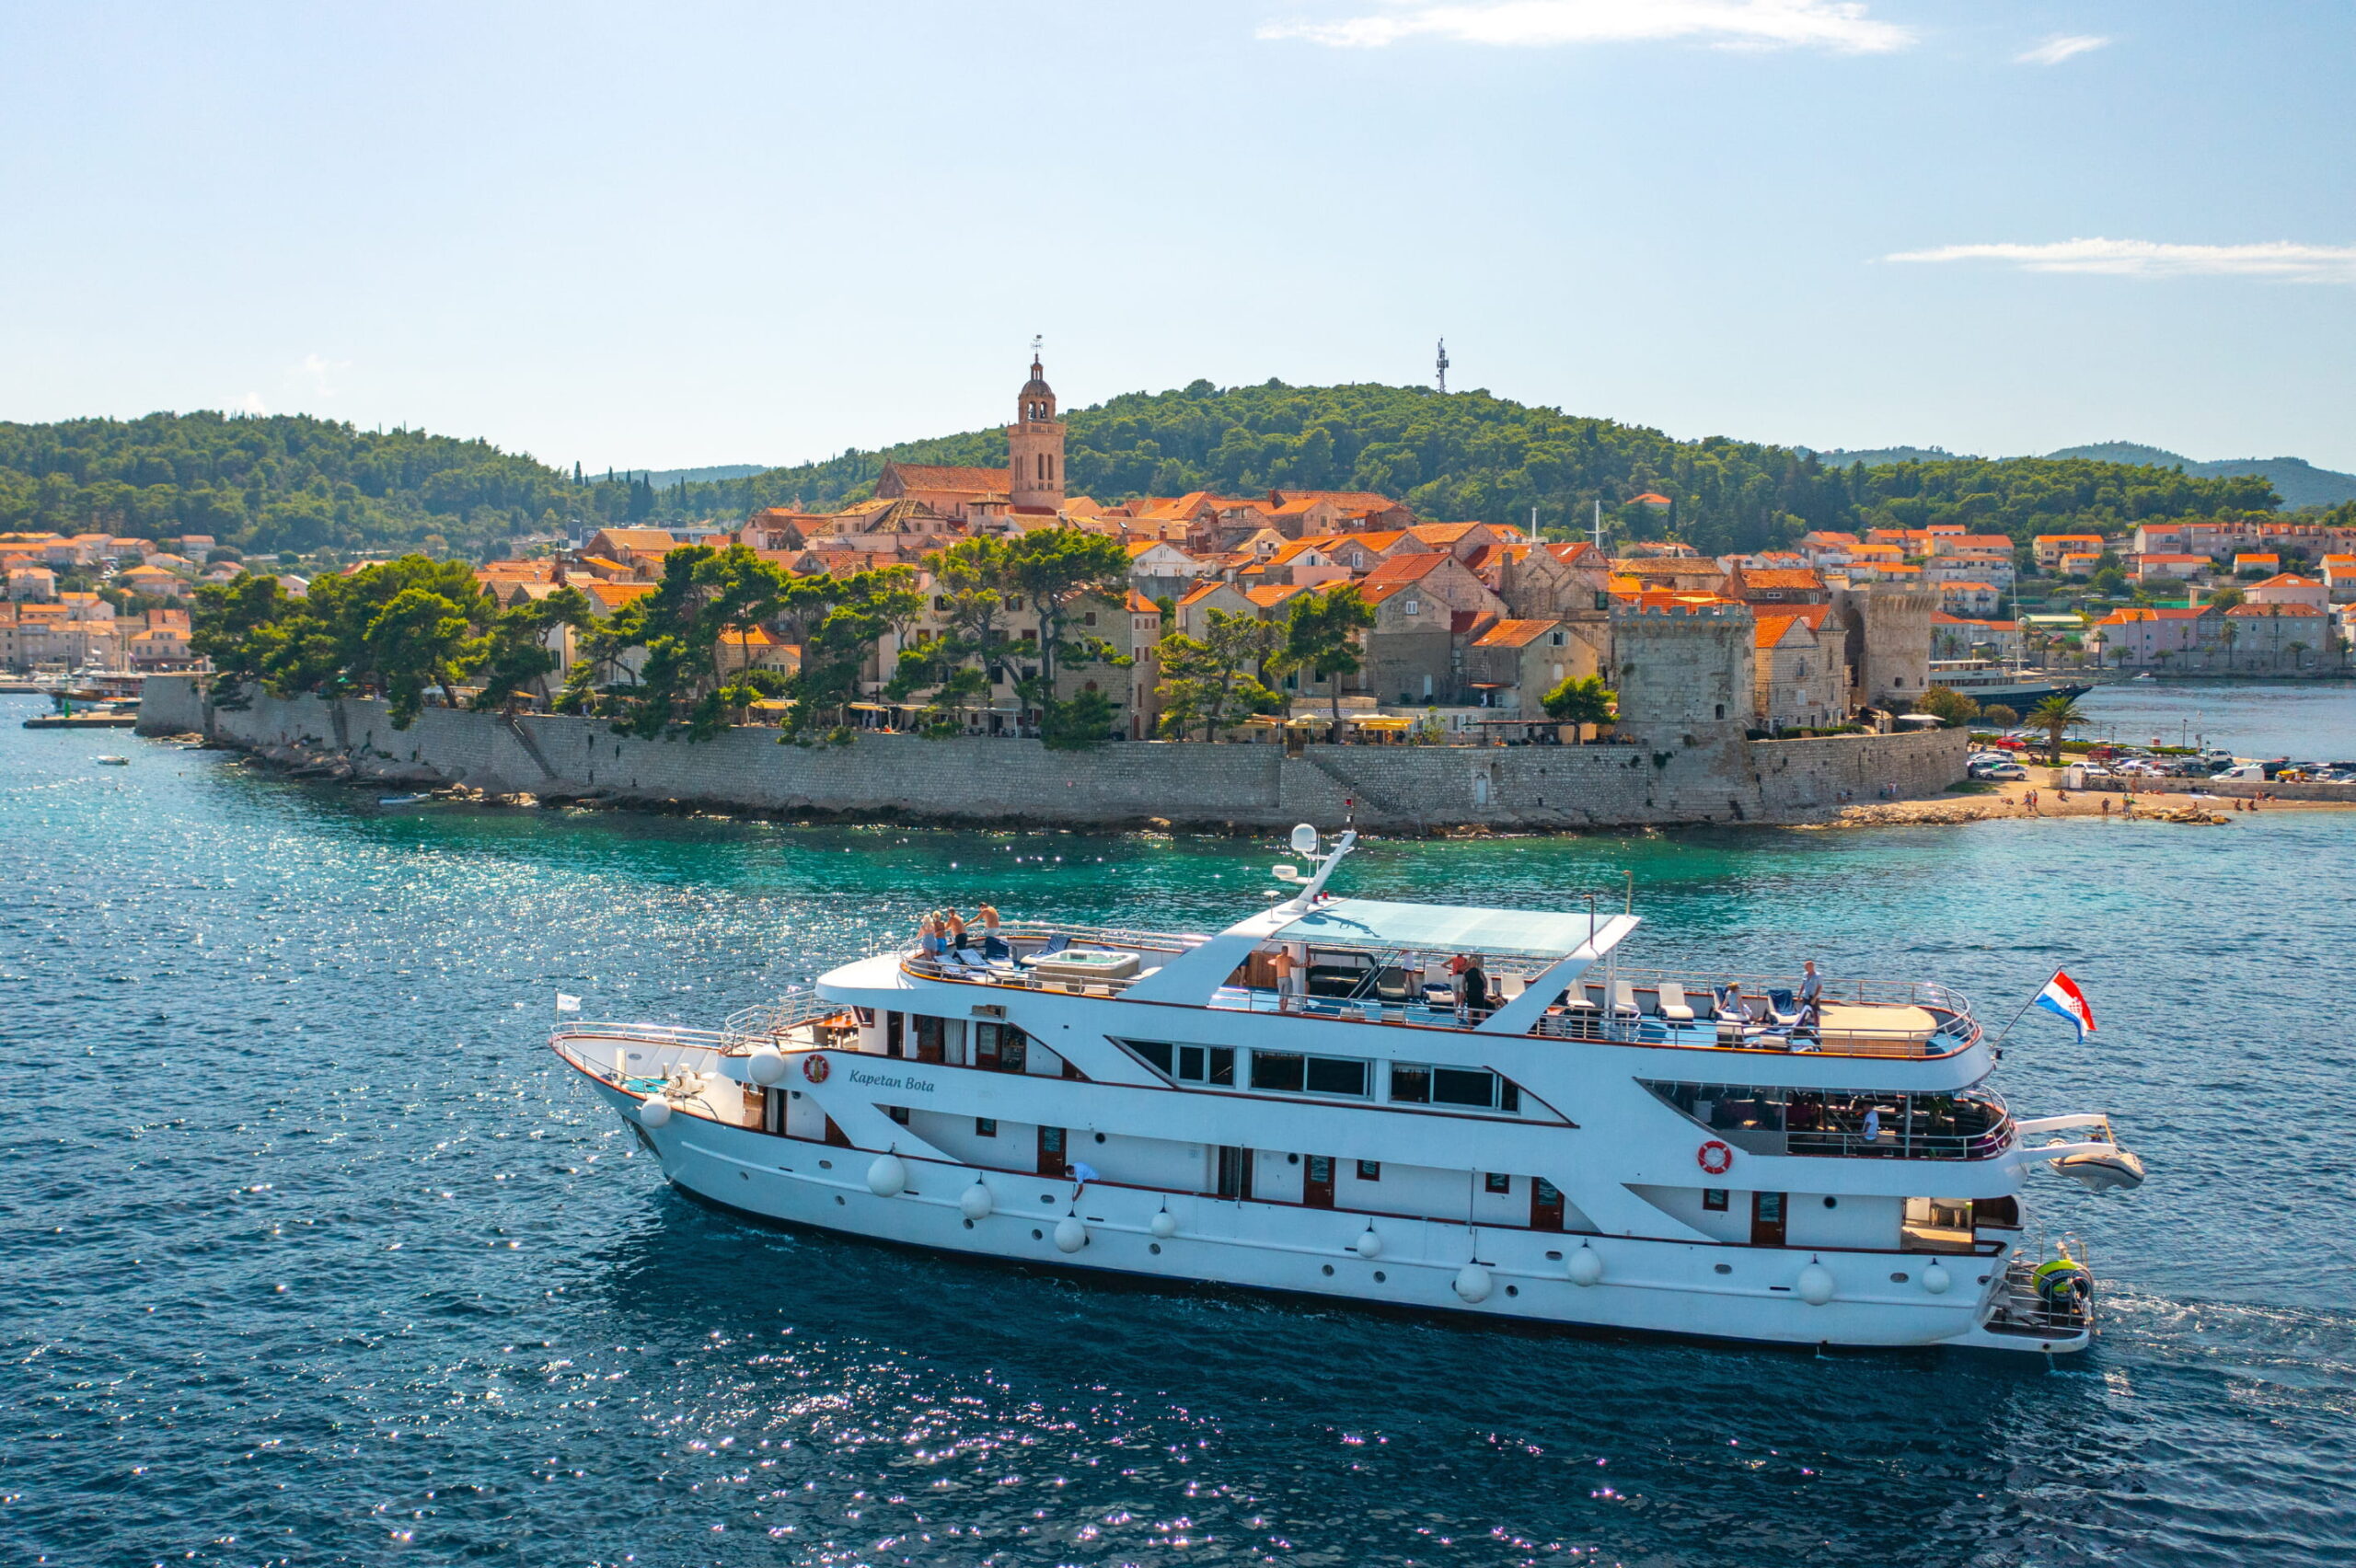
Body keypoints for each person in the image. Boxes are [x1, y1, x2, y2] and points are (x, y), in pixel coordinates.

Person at [1796, 960, 1823, 1030]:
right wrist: (1799, 994)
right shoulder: (1805, 974)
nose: (1805, 968)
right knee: (1804, 1012)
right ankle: (1803, 1027)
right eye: (1804, 966)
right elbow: (1803, 984)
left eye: (1806, 966)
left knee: (1815, 1012)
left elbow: (1819, 987)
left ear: (1811, 966)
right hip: (1806, 995)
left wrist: (1814, 998)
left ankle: (1816, 1028)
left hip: (1814, 996)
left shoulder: (1818, 975)